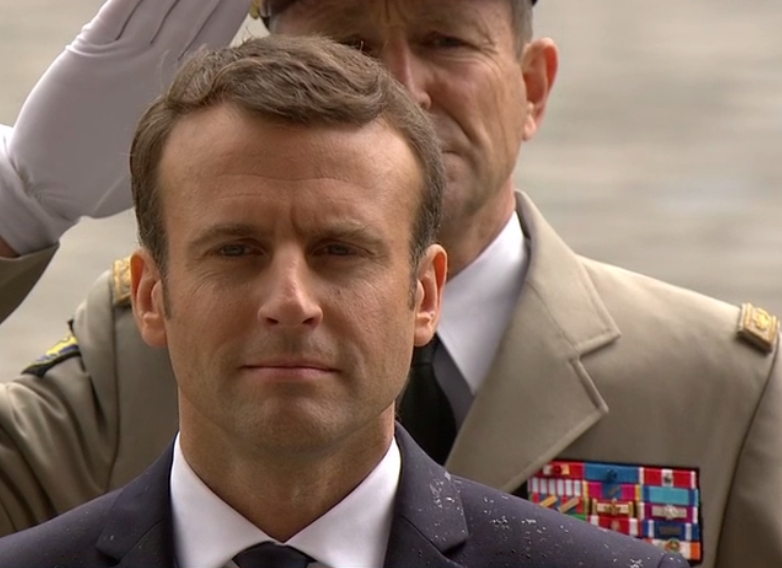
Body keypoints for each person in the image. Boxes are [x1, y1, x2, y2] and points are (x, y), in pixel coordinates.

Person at [0, 1, 779, 566]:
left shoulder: (718, 385)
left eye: (446, 39)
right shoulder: (133, 350)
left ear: (533, 85)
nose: (402, 85)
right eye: (347, 43)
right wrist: (17, 215)